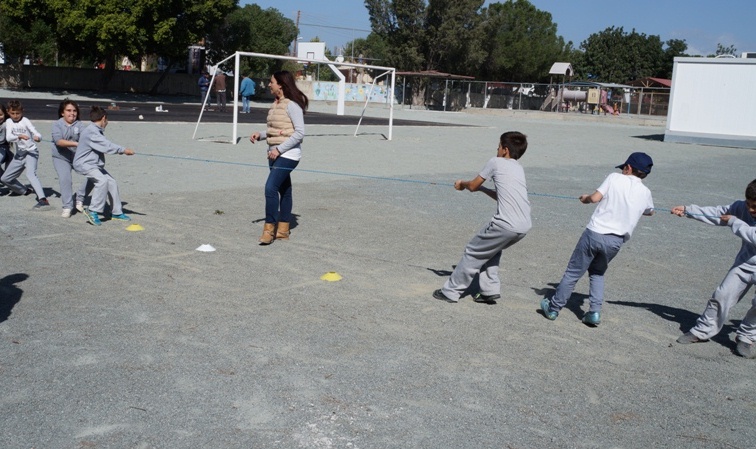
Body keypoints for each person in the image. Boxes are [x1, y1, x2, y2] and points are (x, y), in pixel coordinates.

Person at [541, 152, 654, 326]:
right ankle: (594, 312)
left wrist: (585, 198)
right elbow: (650, 211)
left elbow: (594, 198)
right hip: (615, 241)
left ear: (628, 167)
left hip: (595, 233)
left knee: (573, 272)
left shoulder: (614, 178)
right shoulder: (645, 192)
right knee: (597, 273)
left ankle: (554, 308)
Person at [433, 131, 531, 304]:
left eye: (499, 146)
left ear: (505, 150)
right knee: (491, 251)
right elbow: (501, 196)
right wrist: (483, 189)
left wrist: (462, 184)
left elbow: (472, 185)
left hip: (504, 224)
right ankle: (489, 291)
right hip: (523, 226)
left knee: (473, 251)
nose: (497, 149)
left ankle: (451, 291)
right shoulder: (518, 168)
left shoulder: (496, 162)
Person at [671, 179, 756, 359]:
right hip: (744, 264)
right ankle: (702, 331)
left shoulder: (737, 220)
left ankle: (746, 337)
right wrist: (688, 210)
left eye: (755, 206)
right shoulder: (741, 208)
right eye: (748, 204)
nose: (750, 210)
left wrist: (734, 222)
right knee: (721, 295)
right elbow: (719, 213)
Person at [249, 70, 308, 245]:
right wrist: (260, 135)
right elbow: (275, 130)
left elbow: (300, 133)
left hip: (288, 155)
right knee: (285, 190)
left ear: (280, 85)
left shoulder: (292, 105)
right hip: (274, 153)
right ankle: (283, 230)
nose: (269, 84)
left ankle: (269, 230)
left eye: (271, 82)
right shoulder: (276, 104)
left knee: (270, 188)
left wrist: (279, 150)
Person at [73, 106, 135, 226]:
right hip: (84, 164)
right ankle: (93, 210)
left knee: (111, 182)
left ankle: (116, 212)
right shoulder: (92, 132)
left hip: (93, 164)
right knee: (102, 181)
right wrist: (123, 150)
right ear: (103, 118)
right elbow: (106, 146)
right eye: (107, 120)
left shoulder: (95, 130)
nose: (107, 122)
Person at [1, 100, 51, 210]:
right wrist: (20, 136)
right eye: (12, 113)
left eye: (18, 113)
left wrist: (38, 137)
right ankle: (24, 190)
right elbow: (9, 137)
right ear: (8, 112)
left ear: (22, 111)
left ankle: (43, 199)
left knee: (30, 174)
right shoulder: (9, 122)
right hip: (20, 155)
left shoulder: (25, 121)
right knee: (5, 178)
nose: (15, 116)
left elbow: (36, 132)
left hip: (31, 152)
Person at [51, 99, 92, 218]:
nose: (72, 113)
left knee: (94, 174)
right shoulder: (57, 124)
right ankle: (67, 207)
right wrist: (76, 144)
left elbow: (87, 137)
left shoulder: (80, 125)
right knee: (65, 179)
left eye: (74, 111)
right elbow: (59, 142)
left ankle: (80, 198)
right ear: (62, 112)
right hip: (61, 157)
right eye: (68, 110)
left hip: (76, 156)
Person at [0, 104, 14, 184]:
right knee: (4, 177)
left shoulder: (5, 125)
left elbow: (2, 140)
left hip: (3, 149)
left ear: (5, 114)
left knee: (7, 175)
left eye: (1, 115)